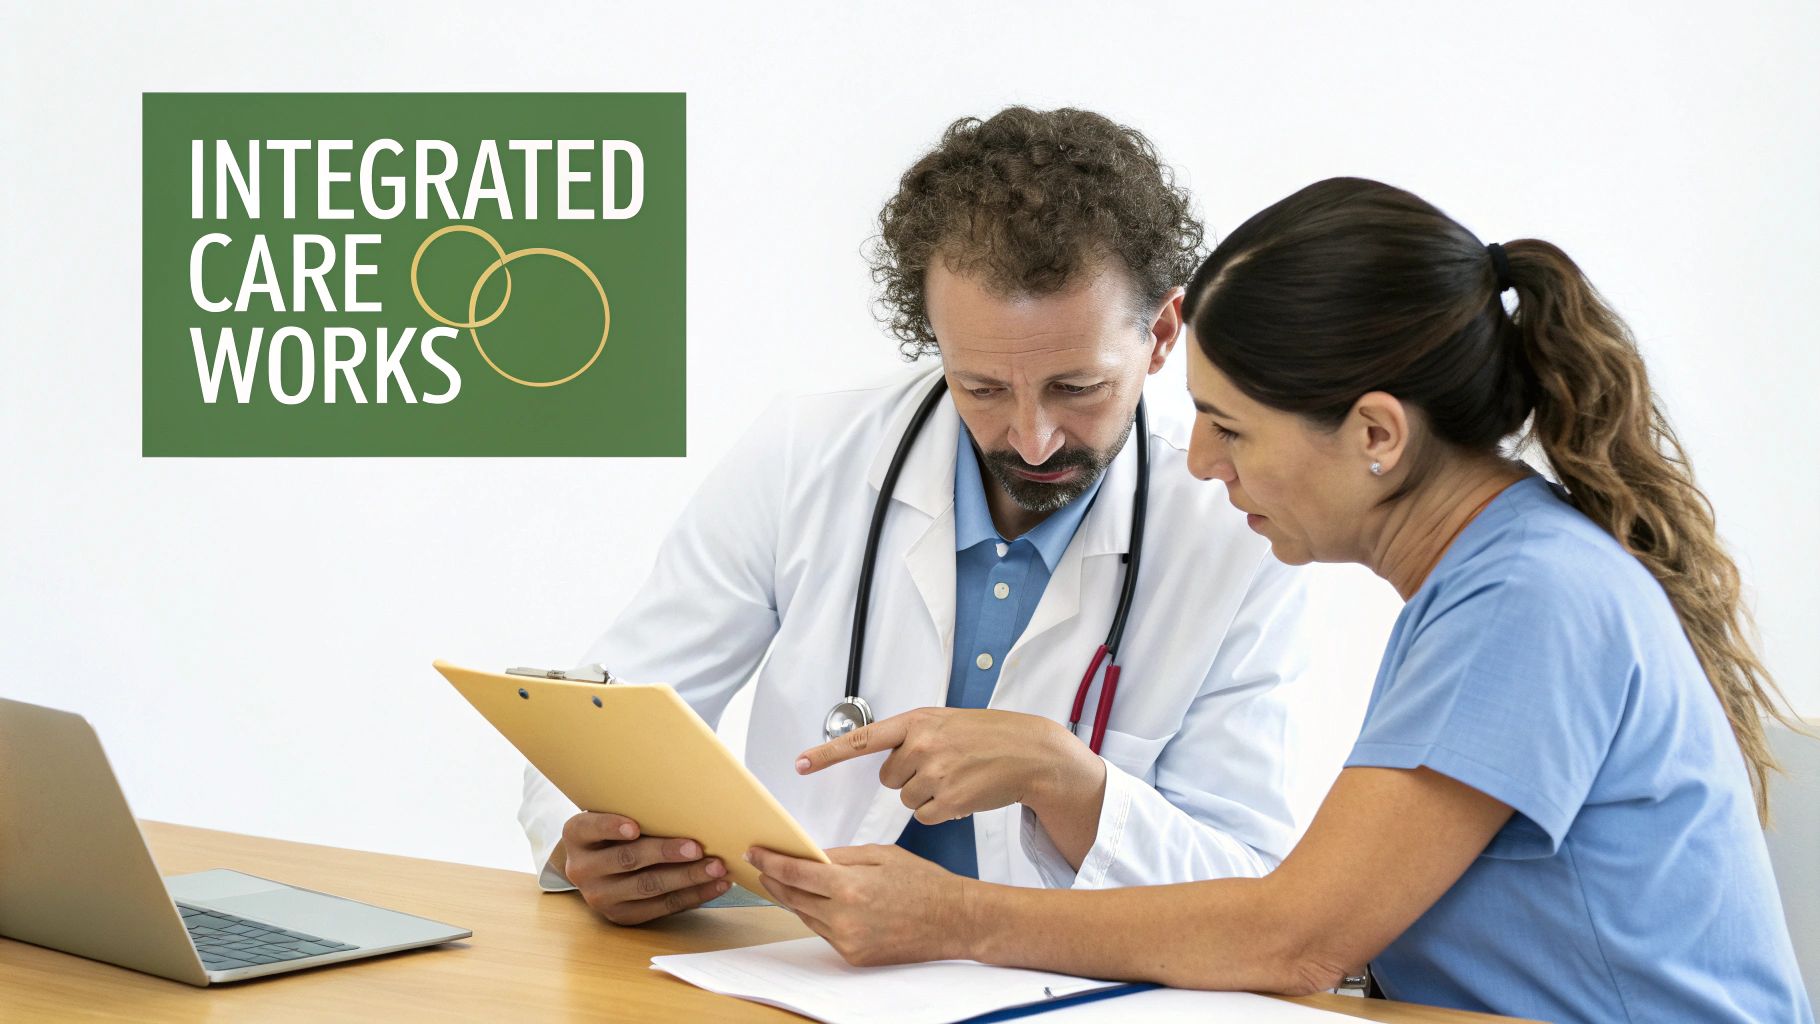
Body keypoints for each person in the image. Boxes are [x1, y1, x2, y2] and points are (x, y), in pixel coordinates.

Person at [747, 177, 1814, 1024]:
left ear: (1376, 436)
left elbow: (1300, 935)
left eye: (1231, 426)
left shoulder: (1525, 596)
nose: (1201, 463)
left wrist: (958, 916)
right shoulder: (1495, 573)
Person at [518, 107, 1317, 927]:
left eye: (1077, 388)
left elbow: (1252, 890)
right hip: (796, 967)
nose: (1033, 438)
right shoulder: (805, 455)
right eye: (982, 387)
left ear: (1159, 334)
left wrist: (1066, 783)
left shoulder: (1239, 531)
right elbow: (600, 713)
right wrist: (587, 843)